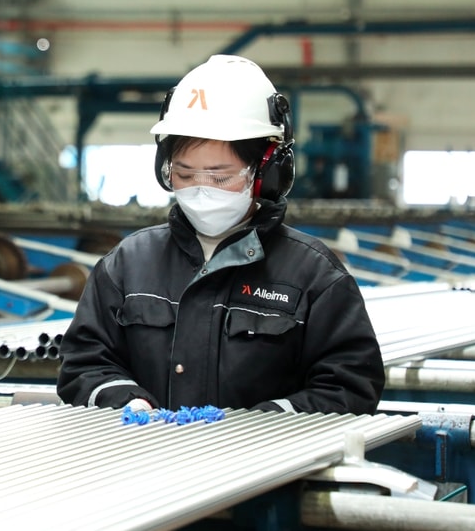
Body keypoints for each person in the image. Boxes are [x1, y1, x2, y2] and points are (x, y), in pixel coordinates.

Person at [57, 54, 385, 415]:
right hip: (146, 464)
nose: (200, 189)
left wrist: (269, 423)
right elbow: (83, 363)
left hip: (268, 468)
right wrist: (125, 401)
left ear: (268, 172)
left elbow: (351, 384)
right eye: (184, 174)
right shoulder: (126, 265)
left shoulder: (314, 276)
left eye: (220, 176)